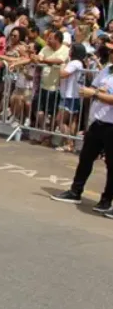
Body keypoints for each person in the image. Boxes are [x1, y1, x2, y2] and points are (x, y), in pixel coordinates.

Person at [51, 41, 113, 213]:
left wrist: (96, 93)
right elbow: (92, 87)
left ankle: (106, 200)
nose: (109, 53)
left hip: (112, 126)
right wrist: (96, 92)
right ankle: (75, 191)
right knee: (85, 158)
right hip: (98, 123)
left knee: (111, 165)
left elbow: (97, 93)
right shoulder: (107, 69)